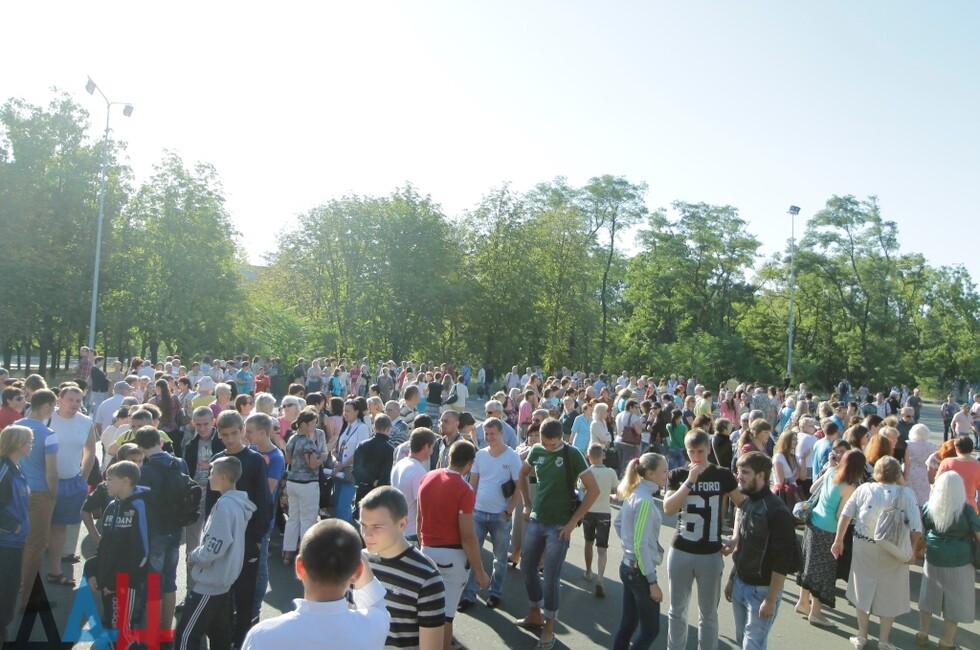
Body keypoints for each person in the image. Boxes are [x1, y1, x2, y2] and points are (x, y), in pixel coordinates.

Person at [515, 418, 600, 650]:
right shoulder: (536, 450)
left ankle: (549, 626)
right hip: (537, 519)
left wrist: (573, 521)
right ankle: (534, 612)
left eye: (554, 444)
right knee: (527, 566)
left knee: (552, 575)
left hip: (560, 525)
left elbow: (594, 490)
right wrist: (527, 504)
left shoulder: (573, 454)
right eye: (546, 443)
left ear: (562, 438)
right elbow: (522, 474)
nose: (550, 447)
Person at [241, 520, 390, 650]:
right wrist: (356, 557)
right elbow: (376, 603)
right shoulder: (373, 625)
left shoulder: (263, 637)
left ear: (299, 567)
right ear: (358, 572)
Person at [662, 428, 745, 650]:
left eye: (700, 451)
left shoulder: (722, 474)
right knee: (676, 610)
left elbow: (742, 505)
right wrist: (689, 482)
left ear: (708, 449)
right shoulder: (678, 474)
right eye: (691, 452)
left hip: (710, 553)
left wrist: (736, 535)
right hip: (681, 549)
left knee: (708, 614)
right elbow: (668, 509)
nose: (696, 456)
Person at [832, 456, 923, 650]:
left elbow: (845, 515)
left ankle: (861, 635)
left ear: (877, 472)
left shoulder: (863, 489)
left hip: (864, 546)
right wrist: (912, 550)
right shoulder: (906, 493)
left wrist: (838, 540)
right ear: (897, 474)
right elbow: (916, 527)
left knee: (862, 589)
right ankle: (884, 640)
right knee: (890, 592)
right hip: (894, 549)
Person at [176, 456, 256, 650]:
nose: (209, 477)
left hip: (210, 584)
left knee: (185, 635)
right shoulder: (237, 504)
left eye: (212, 473)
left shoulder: (224, 506)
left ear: (223, 477)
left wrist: (194, 557)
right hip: (223, 583)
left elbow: (214, 547)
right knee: (220, 637)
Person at [417, 440, 489, 650]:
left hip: (427, 550)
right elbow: (468, 537)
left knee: (426, 612)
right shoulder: (465, 490)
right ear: (470, 463)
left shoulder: (427, 477)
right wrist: (480, 572)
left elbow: (420, 519)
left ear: (449, 457)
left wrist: (424, 545)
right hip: (452, 557)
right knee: (446, 616)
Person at [207, 411, 271, 646]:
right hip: (222, 538)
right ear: (219, 434)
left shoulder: (254, 460)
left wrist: (257, 538)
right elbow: (211, 503)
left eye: (234, 433)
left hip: (248, 538)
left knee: (245, 595)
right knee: (221, 593)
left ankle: (243, 640)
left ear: (243, 430)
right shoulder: (218, 459)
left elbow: (264, 501)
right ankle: (222, 640)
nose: (230, 439)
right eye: (225, 435)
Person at [723, 452, 797, 649]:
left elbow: (783, 559)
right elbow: (744, 546)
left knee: (752, 645)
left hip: (762, 591)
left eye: (745, 472)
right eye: (738, 471)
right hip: (740, 583)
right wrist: (732, 578)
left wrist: (770, 599)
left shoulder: (777, 511)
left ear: (761, 475)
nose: (739, 476)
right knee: (742, 640)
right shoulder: (748, 503)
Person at [360, 487, 445, 650]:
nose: (366, 535)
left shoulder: (427, 577)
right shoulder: (359, 562)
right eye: (363, 525)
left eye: (376, 527)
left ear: (402, 524)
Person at [457, 418, 522, 612]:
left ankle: (495, 592)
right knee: (471, 555)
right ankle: (468, 595)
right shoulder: (480, 455)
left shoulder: (512, 457)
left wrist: (509, 510)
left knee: (499, 559)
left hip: (500, 516)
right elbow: (473, 483)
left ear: (502, 433)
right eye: (486, 434)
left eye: (493, 433)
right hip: (478, 513)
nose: (489, 437)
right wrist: (469, 507)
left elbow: (519, 487)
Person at [83, 460, 150, 645]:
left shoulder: (139, 507)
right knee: (112, 628)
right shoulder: (112, 506)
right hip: (108, 582)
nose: (106, 484)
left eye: (110, 479)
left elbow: (142, 553)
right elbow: (105, 545)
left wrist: (117, 582)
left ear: (125, 481)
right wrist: (92, 569)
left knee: (121, 630)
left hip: (125, 583)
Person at [796, 448, 864, 627]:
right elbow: (841, 515)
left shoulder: (831, 471)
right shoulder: (849, 487)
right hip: (828, 530)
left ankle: (803, 602)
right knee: (823, 572)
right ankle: (815, 613)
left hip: (813, 522)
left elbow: (812, 489)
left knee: (808, 565)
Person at [135, 425, 191, 635]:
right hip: (175, 528)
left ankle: (151, 635)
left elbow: (140, 505)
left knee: (153, 582)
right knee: (170, 581)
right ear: (161, 441)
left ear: (140, 448)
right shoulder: (180, 463)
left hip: (154, 532)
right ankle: (166, 631)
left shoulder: (144, 472)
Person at [916, 471, 980, 649]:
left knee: (928, 597)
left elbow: (924, 527)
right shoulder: (966, 510)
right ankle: (946, 642)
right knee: (955, 602)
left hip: (933, 556)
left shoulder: (929, 506)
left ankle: (922, 633)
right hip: (960, 560)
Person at [612, 452, 667, 650]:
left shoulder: (634, 494)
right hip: (639, 572)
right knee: (650, 630)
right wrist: (652, 582)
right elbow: (639, 545)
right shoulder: (644, 501)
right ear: (650, 474)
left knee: (628, 625)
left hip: (628, 566)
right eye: (664, 471)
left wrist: (628, 545)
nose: (667, 474)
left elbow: (618, 523)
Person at [46, 384, 97, 587]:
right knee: (37, 529)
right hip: (43, 482)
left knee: (59, 528)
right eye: (70, 399)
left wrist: (83, 478)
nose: (75, 404)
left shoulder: (85, 421)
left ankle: (55, 571)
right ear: (59, 399)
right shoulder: (47, 418)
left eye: (79, 400)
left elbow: (90, 451)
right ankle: (26, 576)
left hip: (70, 482)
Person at [16, 389, 59, 610]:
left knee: (16, 543)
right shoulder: (48, 433)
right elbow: (51, 471)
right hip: (39, 493)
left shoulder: (15, 428)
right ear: (46, 406)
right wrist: (53, 493)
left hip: (15, 492)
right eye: (53, 406)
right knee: (36, 546)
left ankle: (16, 590)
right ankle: (29, 600)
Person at [244, 412, 285, 620]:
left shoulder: (276, 457)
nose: (246, 435)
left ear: (262, 432)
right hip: (244, 517)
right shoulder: (250, 451)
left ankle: (254, 611)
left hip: (262, 519)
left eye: (249, 432)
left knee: (259, 565)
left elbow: (267, 492)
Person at [0, 425, 32, 641]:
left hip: (15, 542)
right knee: (4, 590)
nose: (32, 445)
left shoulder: (17, 468)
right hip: (5, 542)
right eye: (29, 441)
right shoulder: (4, 470)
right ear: (17, 444)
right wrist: (13, 526)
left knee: (10, 590)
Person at [282, 409, 326, 565]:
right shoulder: (307, 442)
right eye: (313, 423)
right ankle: (305, 556)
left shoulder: (292, 438)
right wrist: (322, 458)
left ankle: (287, 554)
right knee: (308, 520)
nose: (315, 426)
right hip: (307, 484)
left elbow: (288, 459)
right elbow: (313, 464)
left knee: (293, 519)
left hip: (292, 482)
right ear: (304, 424)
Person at [579, 443, 619, 597]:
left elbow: (581, 491)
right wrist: (611, 497)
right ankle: (600, 579)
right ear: (603, 455)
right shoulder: (610, 472)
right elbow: (616, 493)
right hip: (604, 513)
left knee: (588, 542)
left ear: (588, 457)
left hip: (588, 512)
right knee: (602, 549)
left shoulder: (586, 472)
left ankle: (589, 571)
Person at [390, 428, 436, 546]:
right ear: (426, 447)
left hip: (397, 530)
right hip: (411, 534)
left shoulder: (400, 464)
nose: (432, 451)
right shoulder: (418, 472)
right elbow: (423, 507)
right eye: (432, 447)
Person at [333, 398, 372, 523]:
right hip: (340, 468)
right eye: (344, 411)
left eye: (348, 411)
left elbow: (359, 452)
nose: (345, 413)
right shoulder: (346, 426)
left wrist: (342, 464)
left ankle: (347, 532)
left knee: (342, 506)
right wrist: (336, 460)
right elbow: (338, 448)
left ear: (357, 412)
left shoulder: (362, 428)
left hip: (351, 470)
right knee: (336, 503)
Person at [936, 436, 980, 513]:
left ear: (956, 448)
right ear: (972, 448)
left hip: (948, 505)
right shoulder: (978, 465)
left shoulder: (946, 462)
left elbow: (937, 483)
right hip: (970, 506)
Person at [905, 423, 935, 506]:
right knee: (923, 496)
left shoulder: (907, 444)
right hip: (924, 472)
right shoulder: (931, 446)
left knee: (909, 495)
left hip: (909, 471)